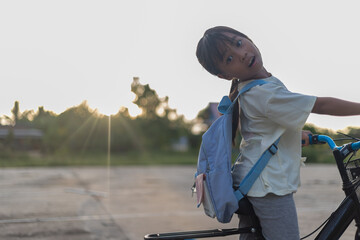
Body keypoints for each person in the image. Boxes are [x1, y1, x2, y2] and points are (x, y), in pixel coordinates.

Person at [195, 26, 360, 240]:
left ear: (248, 38)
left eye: (238, 43)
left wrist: (296, 133)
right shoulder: (263, 92)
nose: (242, 54)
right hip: (268, 189)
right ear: (224, 75)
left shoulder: (255, 87)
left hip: (252, 183)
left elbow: (265, 125)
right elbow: (322, 105)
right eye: (229, 58)